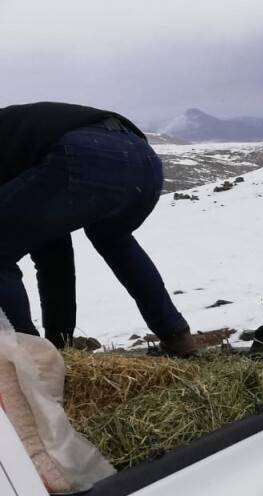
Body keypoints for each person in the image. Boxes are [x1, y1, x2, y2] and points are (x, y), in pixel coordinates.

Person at [0, 102, 197, 356]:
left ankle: (28, 360)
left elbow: (53, 259)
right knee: (114, 239)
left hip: (84, 155)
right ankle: (176, 336)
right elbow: (53, 254)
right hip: (144, 161)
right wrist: (60, 344)